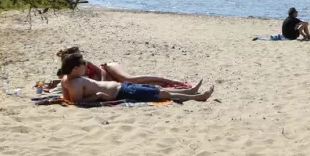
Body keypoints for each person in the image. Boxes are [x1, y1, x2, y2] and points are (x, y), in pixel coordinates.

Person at [53, 52, 213, 105]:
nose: (85, 68)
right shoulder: (74, 82)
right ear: (75, 68)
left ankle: (190, 91)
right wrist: (97, 97)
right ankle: (197, 97)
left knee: (158, 90)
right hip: (121, 92)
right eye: (83, 65)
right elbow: (76, 102)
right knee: (161, 94)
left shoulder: (67, 80)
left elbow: (67, 99)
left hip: (122, 88)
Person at [40, 46, 190, 90]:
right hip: (110, 82)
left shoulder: (86, 64)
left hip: (109, 69)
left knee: (129, 79)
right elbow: (65, 80)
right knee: (138, 86)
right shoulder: (68, 72)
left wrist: (104, 84)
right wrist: (52, 84)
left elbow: (101, 72)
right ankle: (167, 85)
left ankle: (171, 80)